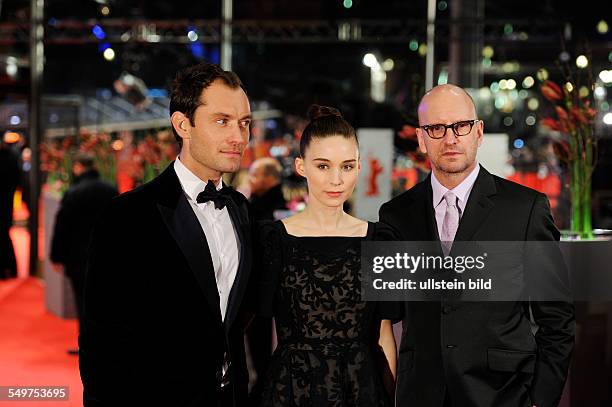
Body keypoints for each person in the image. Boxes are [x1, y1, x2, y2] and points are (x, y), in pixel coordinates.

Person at [379, 84, 575, 407]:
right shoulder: (395, 215)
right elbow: (387, 311)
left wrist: (541, 399)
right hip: (421, 395)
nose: (451, 138)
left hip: (503, 394)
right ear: (421, 138)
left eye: (461, 126)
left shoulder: (525, 210)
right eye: (437, 128)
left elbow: (557, 318)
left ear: (478, 131)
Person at [80, 62, 254, 407]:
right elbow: (101, 342)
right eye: (222, 121)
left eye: (244, 123)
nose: (239, 137)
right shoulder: (127, 216)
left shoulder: (241, 209)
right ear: (182, 125)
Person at [257, 105, 398, 407]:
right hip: (292, 391)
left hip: (363, 391)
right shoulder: (274, 240)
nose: (336, 179)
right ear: (300, 166)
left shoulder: (379, 241)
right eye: (323, 166)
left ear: (359, 167)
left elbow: (384, 334)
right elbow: (254, 330)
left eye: (347, 166)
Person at [50, 152, 118, 351]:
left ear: (78, 167)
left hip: (78, 257)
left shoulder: (74, 192)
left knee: (83, 301)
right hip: (107, 254)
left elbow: (62, 225)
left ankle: (88, 345)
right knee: (106, 300)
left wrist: (56, 255)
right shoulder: (110, 189)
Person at [245, 157, 287, 406]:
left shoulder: (268, 208)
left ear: (270, 179)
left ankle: (263, 386)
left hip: (263, 285)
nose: (251, 181)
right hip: (262, 284)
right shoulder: (259, 204)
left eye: (255, 175)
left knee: (261, 340)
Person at [0, 136, 20, 279]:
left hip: (5, 203)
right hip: (7, 203)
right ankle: (11, 268)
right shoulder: (12, 156)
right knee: (5, 235)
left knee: (4, 235)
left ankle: (6, 269)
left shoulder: (9, 157)